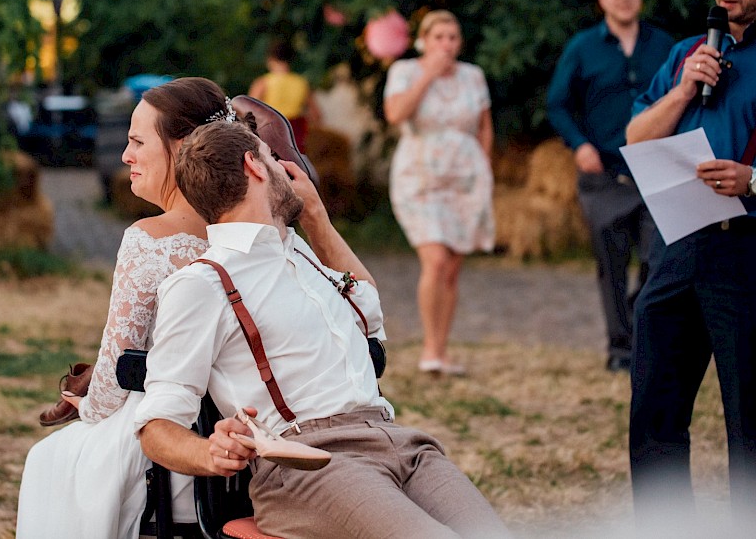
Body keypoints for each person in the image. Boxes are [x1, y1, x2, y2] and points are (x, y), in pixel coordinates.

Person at [134, 120, 511, 538]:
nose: (288, 169)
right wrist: (209, 452)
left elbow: (368, 311)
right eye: (273, 158)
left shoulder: (301, 253)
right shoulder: (202, 283)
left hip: (399, 442)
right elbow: (155, 425)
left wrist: (317, 220)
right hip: (307, 463)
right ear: (254, 166)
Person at [16, 78, 344, 538]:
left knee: (48, 460)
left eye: (136, 141)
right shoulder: (274, 236)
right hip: (272, 437)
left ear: (184, 147)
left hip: (182, 456)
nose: (126, 156)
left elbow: (114, 384)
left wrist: (84, 402)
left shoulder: (148, 240)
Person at [625, 0, 756, 531]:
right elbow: (635, 133)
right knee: (654, 406)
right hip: (679, 242)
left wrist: (753, 180)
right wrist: (682, 90)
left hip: (749, 250)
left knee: (748, 420)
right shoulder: (687, 51)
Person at [546, 0, 675, 373]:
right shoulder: (583, 48)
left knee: (661, 258)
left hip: (655, 171)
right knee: (612, 266)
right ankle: (621, 350)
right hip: (603, 175)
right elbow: (557, 104)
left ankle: (646, 337)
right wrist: (579, 145)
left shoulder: (665, 45)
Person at [382, 9, 494, 376]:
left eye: (453, 37)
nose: (447, 44)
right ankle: (429, 350)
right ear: (424, 41)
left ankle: (442, 350)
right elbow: (396, 115)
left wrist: (484, 172)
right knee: (435, 260)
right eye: (439, 37)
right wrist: (428, 74)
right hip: (420, 177)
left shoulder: (473, 76)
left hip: (464, 178)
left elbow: (484, 127)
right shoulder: (405, 72)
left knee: (451, 269)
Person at [247, 38, 319, 152]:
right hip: (296, 136)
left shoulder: (263, 83)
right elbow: (316, 115)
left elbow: (248, 113)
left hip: (272, 135)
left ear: (270, 59)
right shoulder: (301, 83)